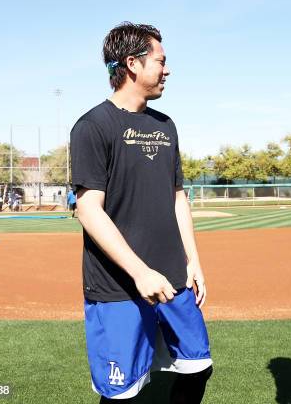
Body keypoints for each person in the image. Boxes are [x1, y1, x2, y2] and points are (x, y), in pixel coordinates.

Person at [70, 22, 212, 403]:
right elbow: (88, 209)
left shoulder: (166, 126)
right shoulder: (92, 126)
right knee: (123, 392)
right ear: (132, 63)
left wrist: (193, 261)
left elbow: (178, 197)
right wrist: (140, 271)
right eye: (161, 61)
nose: (167, 70)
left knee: (199, 367)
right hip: (119, 287)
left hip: (173, 280)